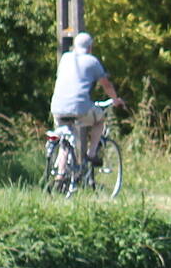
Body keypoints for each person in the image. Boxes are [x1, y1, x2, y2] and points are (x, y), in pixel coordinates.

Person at [49, 32, 124, 172]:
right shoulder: (92, 61)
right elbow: (106, 85)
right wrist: (115, 100)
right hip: (79, 108)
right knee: (99, 120)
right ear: (90, 47)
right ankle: (91, 154)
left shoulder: (65, 58)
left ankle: (60, 175)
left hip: (57, 108)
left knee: (65, 140)